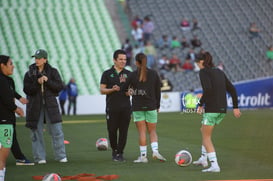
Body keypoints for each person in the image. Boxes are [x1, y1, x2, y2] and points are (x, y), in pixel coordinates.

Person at [193, 52, 241, 172]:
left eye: (197, 62)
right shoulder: (219, 71)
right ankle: (203, 158)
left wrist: (200, 104)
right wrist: (235, 107)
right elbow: (232, 89)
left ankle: (214, 165)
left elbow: (207, 89)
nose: (197, 65)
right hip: (222, 109)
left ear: (201, 62)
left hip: (212, 109)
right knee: (203, 130)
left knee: (206, 137)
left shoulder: (203, 72)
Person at [23, 49, 67, 164]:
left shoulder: (53, 71)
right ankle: (39, 158)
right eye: (35, 58)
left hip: (51, 105)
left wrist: (47, 81)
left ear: (45, 59)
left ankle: (61, 156)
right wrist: (37, 82)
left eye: (39, 58)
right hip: (34, 106)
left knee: (57, 130)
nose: (36, 60)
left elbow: (59, 86)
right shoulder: (29, 73)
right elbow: (27, 89)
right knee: (36, 132)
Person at [122, 52, 166, 163]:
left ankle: (143, 157)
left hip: (137, 107)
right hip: (151, 105)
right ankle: (155, 152)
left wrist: (129, 90)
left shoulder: (132, 75)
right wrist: (158, 105)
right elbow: (158, 91)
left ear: (136, 62)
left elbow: (125, 89)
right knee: (152, 131)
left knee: (142, 132)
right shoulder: (154, 73)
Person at [100, 49, 132, 162]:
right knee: (112, 130)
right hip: (112, 107)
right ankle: (114, 150)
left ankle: (120, 153)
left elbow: (133, 89)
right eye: (121, 59)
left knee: (123, 131)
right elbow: (102, 90)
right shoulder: (107, 73)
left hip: (126, 108)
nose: (123, 61)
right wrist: (112, 89)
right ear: (114, 60)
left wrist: (130, 92)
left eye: (125, 59)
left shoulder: (129, 74)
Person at [0, 55, 24, 181]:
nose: (13, 66)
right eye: (10, 63)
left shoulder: (7, 80)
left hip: (5, 120)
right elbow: (6, 100)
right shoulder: (3, 81)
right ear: (2, 65)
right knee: (2, 157)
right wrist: (17, 109)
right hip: (4, 121)